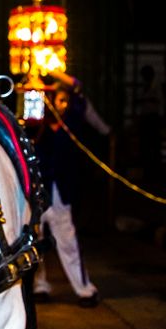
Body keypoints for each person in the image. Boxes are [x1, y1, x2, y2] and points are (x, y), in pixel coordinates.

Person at [30, 71, 110, 307]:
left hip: (61, 195)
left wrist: (51, 70)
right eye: (57, 99)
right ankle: (39, 286)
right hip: (37, 193)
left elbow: (77, 87)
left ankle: (85, 290)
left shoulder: (72, 123)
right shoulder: (39, 124)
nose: (60, 104)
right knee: (36, 242)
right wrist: (35, 84)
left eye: (64, 100)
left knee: (67, 242)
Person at [138, 64, 163, 182]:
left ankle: (155, 171)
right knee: (146, 144)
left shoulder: (155, 86)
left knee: (153, 144)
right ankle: (148, 170)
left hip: (153, 118)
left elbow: (157, 100)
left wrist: (145, 99)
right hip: (147, 117)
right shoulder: (146, 86)